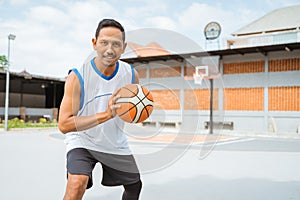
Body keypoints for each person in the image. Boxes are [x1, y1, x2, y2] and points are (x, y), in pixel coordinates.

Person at [58, 19, 142, 200]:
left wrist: (140, 111)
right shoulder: (77, 76)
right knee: (77, 183)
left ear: (124, 47)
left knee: (134, 186)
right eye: (104, 43)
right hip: (83, 140)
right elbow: (64, 124)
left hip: (114, 142)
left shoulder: (131, 74)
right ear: (94, 44)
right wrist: (107, 114)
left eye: (116, 44)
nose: (110, 49)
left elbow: (132, 108)